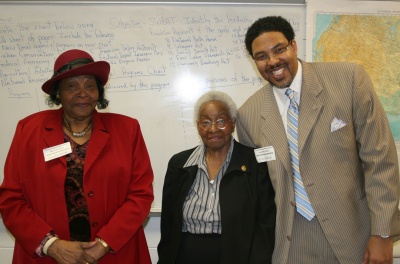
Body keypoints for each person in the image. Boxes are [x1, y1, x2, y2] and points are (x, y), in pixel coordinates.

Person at [236, 16, 400, 264]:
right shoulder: (248, 115)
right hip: (290, 244)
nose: (273, 61)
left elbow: (380, 160)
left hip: (355, 236)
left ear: (294, 45)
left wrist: (382, 234)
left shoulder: (349, 80)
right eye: (261, 56)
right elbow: (260, 191)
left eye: (279, 49)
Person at [0, 49, 154, 264]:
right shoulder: (28, 130)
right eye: (72, 86)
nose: (82, 93)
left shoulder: (127, 129)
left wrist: (104, 243)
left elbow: (141, 194)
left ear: (99, 92)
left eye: (90, 85)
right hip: (48, 257)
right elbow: (11, 199)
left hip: (114, 254)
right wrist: (50, 244)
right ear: (57, 93)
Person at [157, 91, 275, 264]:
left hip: (235, 256)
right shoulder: (179, 164)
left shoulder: (254, 163)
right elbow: (168, 224)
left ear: (233, 124)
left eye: (221, 121)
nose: (213, 129)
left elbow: (265, 224)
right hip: (185, 255)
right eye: (205, 122)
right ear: (198, 126)